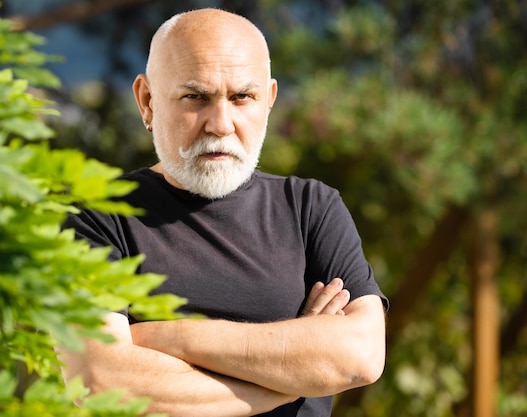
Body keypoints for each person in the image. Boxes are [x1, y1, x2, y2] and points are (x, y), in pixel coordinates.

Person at [58, 8, 388, 417]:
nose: (220, 123)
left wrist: (171, 339)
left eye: (241, 97)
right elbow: (98, 379)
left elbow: (360, 356)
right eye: (196, 97)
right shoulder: (98, 215)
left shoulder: (312, 209)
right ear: (147, 101)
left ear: (268, 100)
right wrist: (288, 378)